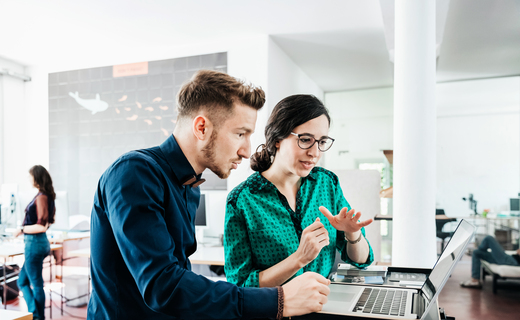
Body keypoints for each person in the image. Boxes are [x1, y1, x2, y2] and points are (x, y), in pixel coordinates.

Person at [89, 70, 331, 320]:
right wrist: (279, 300)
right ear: (201, 127)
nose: (247, 151)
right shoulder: (134, 173)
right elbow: (163, 287)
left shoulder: (189, 187)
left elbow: (180, 279)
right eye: (241, 134)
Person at [224, 94, 374, 288]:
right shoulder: (241, 201)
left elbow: (361, 260)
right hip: (275, 312)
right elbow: (240, 285)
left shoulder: (327, 183)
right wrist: (299, 258)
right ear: (277, 138)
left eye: (321, 142)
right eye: (305, 140)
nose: (315, 153)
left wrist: (353, 235)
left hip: (324, 307)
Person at [14, 165, 56, 320]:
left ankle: (37, 317)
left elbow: (40, 226)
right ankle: (35, 313)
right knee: (22, 281)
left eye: (30, 176)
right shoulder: (45, 196)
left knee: (36, 284)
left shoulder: (42, 197)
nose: (28, 179)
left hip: (35, 244)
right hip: (38, 244)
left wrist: (22, 229)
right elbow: (48, 223)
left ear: (36, 177)